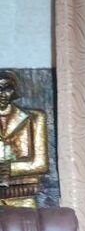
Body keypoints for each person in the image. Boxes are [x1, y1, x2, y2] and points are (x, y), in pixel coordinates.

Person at [0, 70, 49, 207]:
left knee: (26, 220)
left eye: (7, 88)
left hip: (23, 193)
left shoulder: (35, 118)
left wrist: (9, 168)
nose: (2, 94)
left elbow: (40, 164)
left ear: (15, 90)